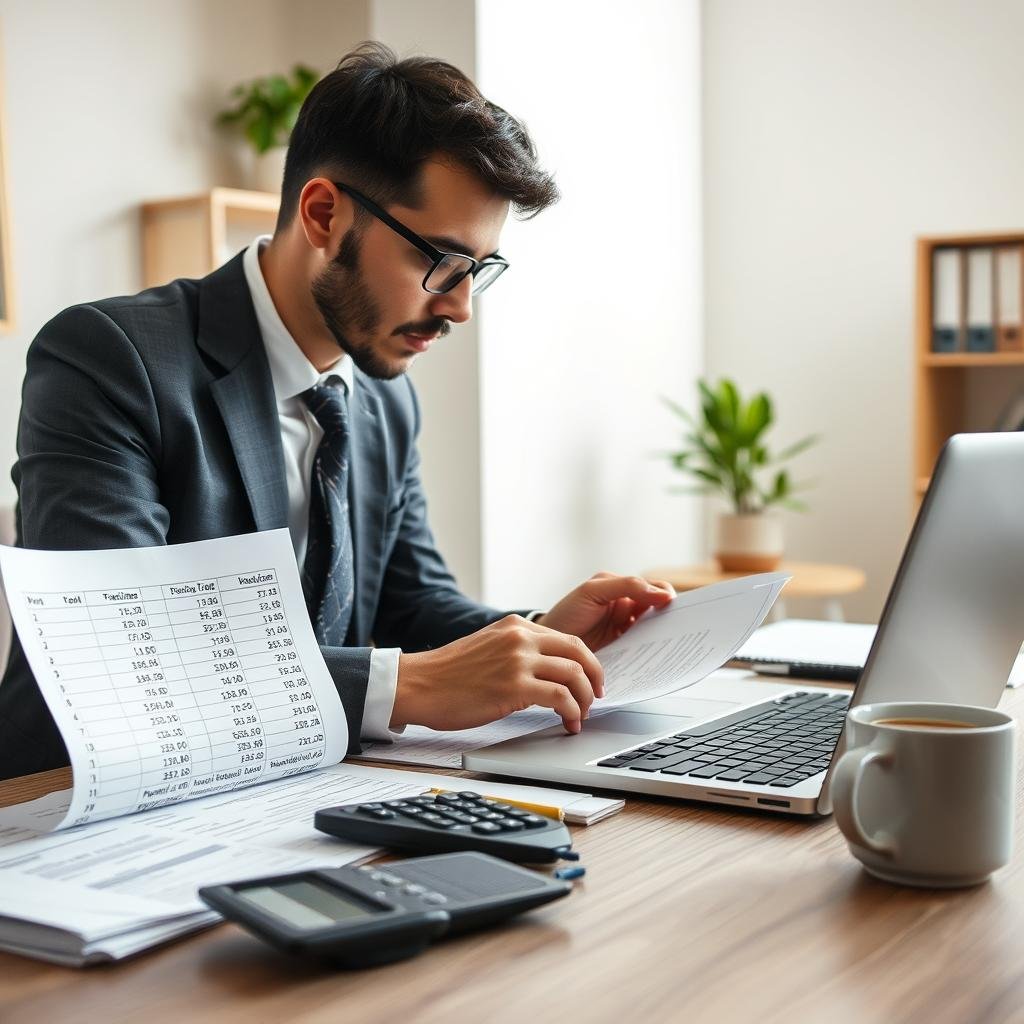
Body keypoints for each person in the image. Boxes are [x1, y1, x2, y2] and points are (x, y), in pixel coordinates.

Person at [0, 42, 674, 781]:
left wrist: (546, 642)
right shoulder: (109, 358)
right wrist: (410, 686)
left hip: (301, 790)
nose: (458, 307)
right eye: (443, 263)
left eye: (479, 272)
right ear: (323, 214)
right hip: (72, 808)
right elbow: (129, 656)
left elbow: (411, 606)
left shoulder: (383, 397)